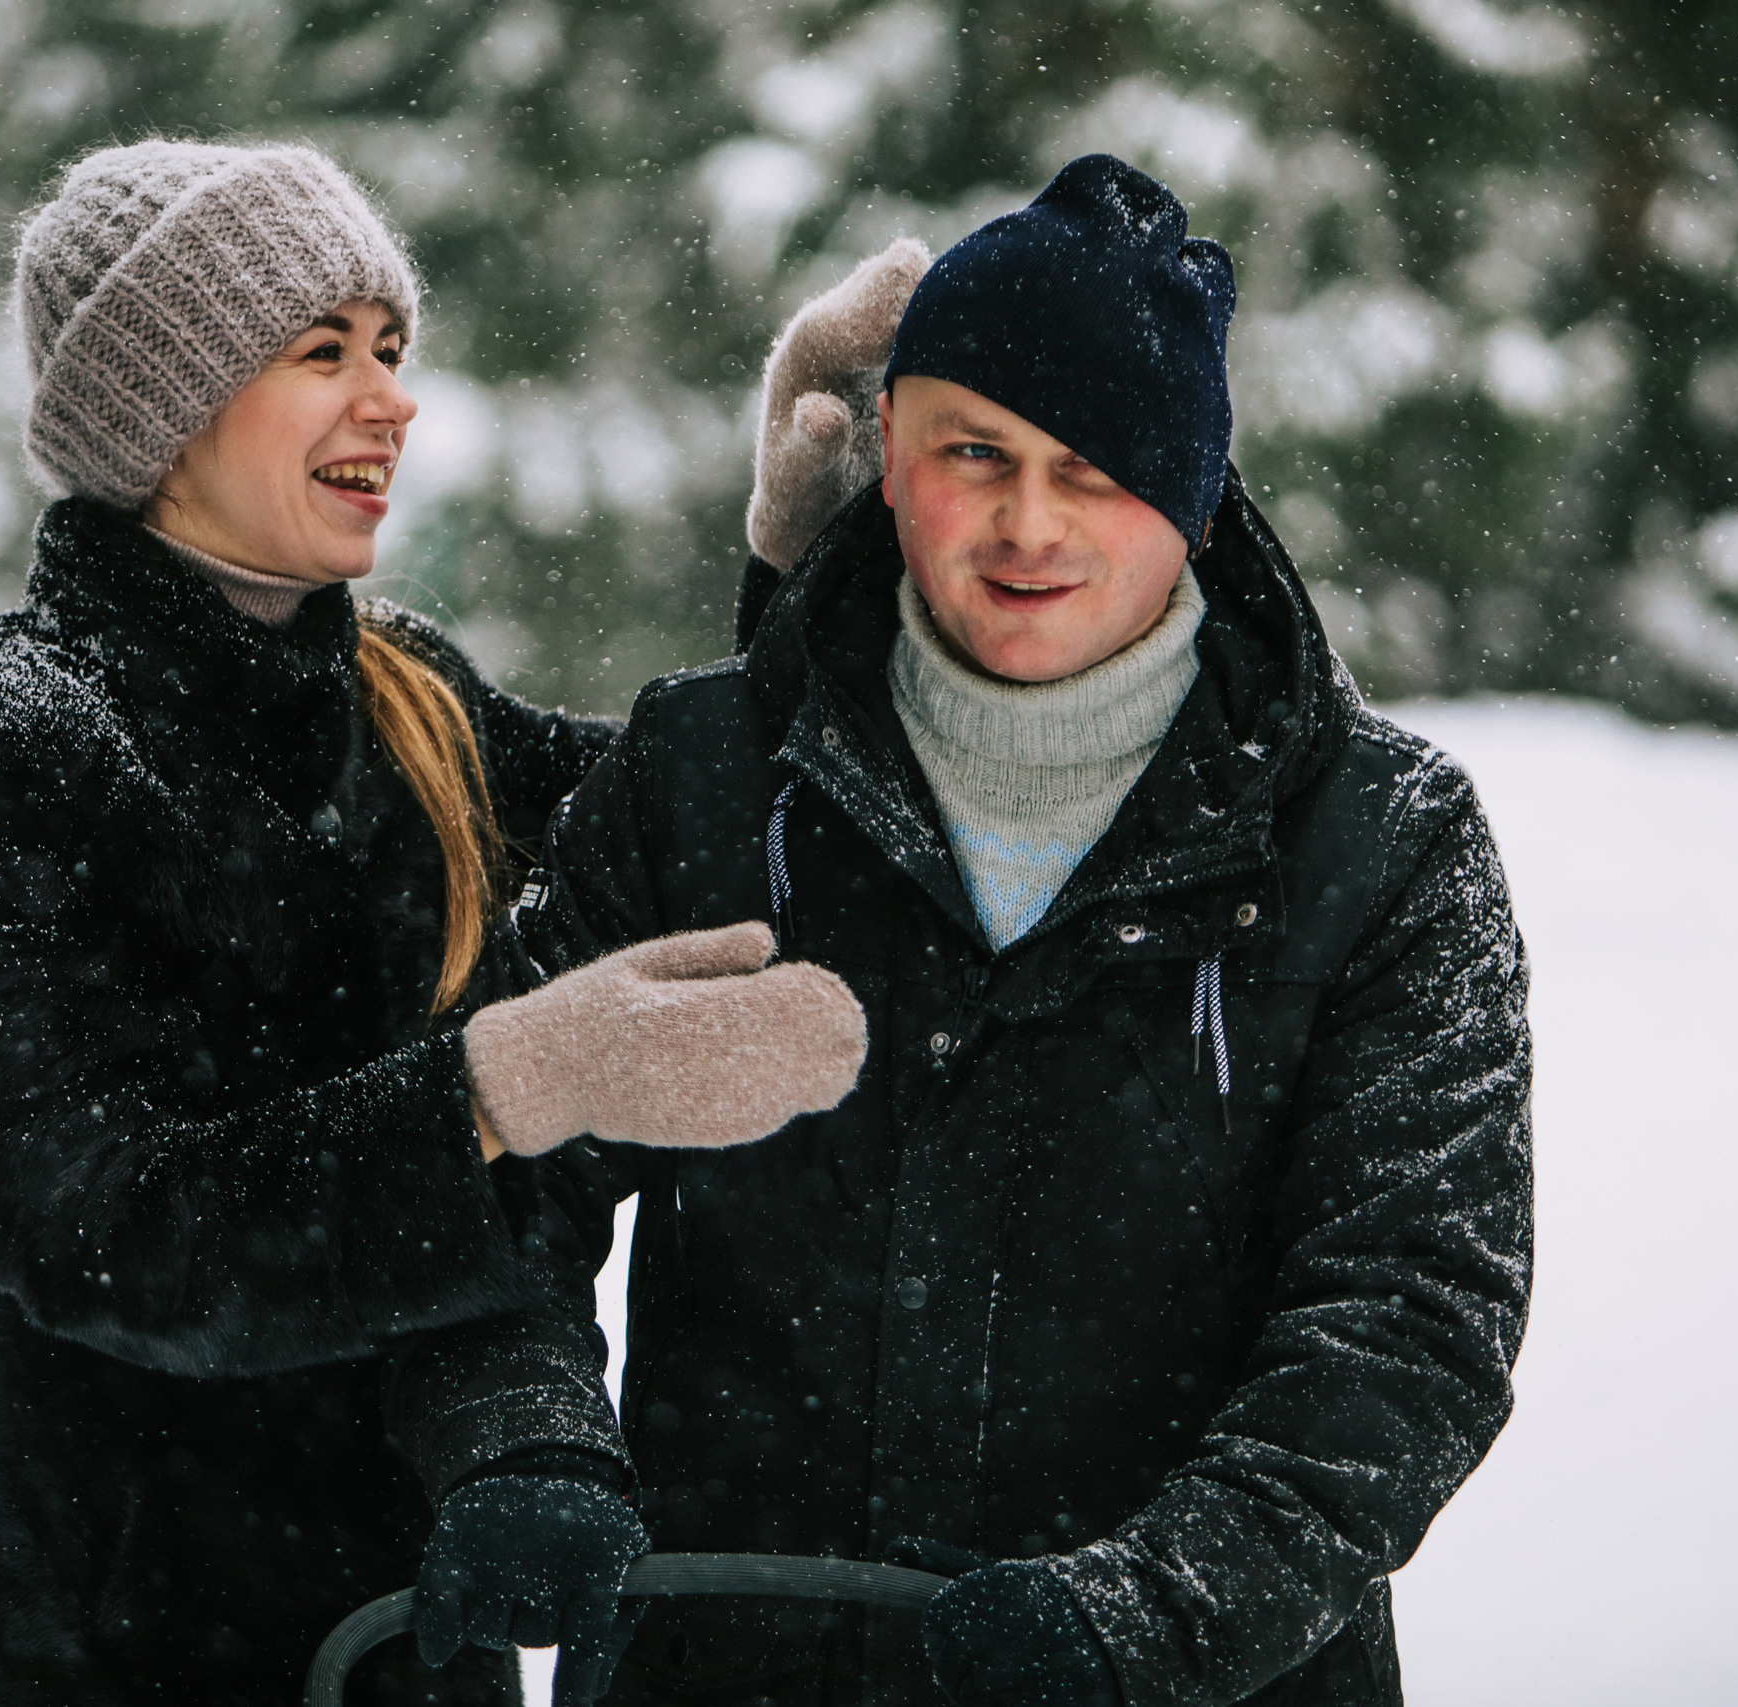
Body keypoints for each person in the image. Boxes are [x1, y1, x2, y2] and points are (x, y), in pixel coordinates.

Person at [393, 155, 1534, 1706]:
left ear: (1192, 498)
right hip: (734, 1666)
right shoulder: (703, 780)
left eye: (1096, 470)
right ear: (887, 455)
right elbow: (498, 1186)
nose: (1026, 524)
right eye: (973, 453)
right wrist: (524, 1439)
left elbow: (1411, 1318)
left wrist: (1148, 1613)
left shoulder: (1382, 845)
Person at [0, 140, 865, 1706]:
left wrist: (807, 575)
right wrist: (499, 1089)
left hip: (385, 1639)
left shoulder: (410, 699)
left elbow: (692, 833)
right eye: (323, 354)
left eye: (390, 350)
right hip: (51, 1644)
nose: (391, 399)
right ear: (159, 405)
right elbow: (108, 1236)